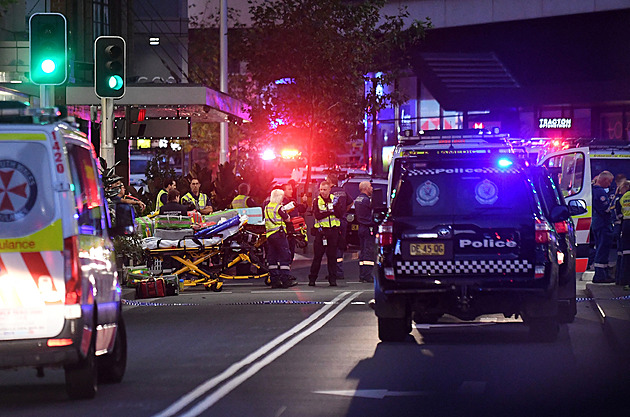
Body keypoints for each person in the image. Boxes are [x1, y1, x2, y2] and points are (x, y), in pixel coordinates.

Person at [308, 180, 343, 287]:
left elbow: (339, 214)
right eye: (321, 190)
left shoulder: (335, 200)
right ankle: (312, 279)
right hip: (321, 232)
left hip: (333, 232)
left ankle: (333, 280)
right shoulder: (316, 201)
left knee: (332, 257)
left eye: (324, 189)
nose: (322, 192)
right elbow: (317, 215)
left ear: (329, 190)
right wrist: (330, 212)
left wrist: (332, 210)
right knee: (317, 257)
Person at [264, 188, 296, 288]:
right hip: (279, 234)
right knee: (284, 256)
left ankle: (275, 280)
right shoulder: (279, 207)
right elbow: (287, 219)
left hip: (270, 236)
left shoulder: (267, 207)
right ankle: (285, 280)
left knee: (272, 257)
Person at [592, 171, 615, 283]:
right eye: (609, 181)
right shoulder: (600, 192)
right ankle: (600, 276)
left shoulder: (594, 190)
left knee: (600, 248)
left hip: (597, 224)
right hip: (603, 224)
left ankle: (603, 273)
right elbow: (606, 209)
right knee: (602, 249)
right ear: (605, 180)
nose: (610, 185)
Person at [327, 173, 351, 280]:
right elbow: (351, 202)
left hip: (334, 222)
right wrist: (344, 212)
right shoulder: (343, 191)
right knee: (340, 245)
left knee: (332, 246)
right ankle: (339, 271)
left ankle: (335, 272)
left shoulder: (330, 192)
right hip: (343, 221)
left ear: (329, 182)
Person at [355, 181, 376, 283]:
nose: (372, 188)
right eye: (370, 186)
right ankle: (367, 275)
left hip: (361, 227)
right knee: (368, 252)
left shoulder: (358, 199)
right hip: (368, 228)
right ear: (365, 188)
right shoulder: (367, 200)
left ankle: (362, 275)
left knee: (363, 252)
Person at [281, 183, 308, 261]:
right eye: (289, 189)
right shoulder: (281, 202)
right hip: (285, 232)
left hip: (293, 231)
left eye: (292, 189)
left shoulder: (293, 201)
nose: (292, 191)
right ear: (283, 191)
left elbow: (302, 209)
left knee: (291, 251)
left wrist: (304, 202)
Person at [614, 180, 630, 285]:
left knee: (625, 252)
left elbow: (618, 212)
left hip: (625, 224)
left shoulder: (623, 197)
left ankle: (623, 279)